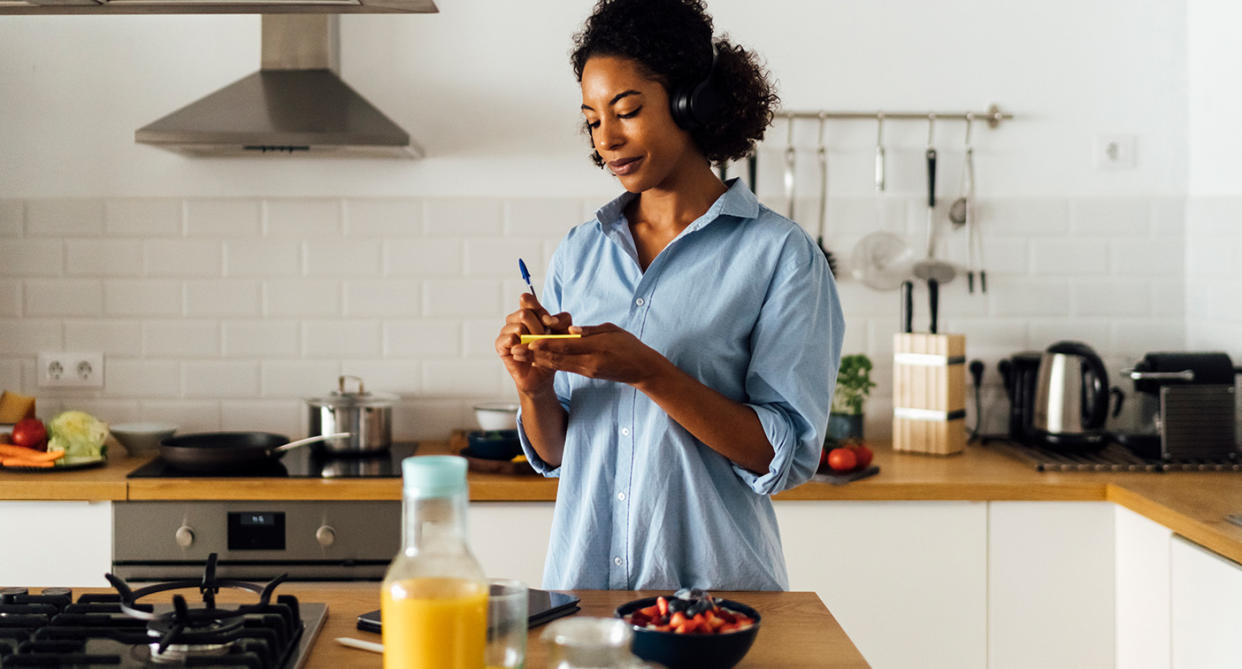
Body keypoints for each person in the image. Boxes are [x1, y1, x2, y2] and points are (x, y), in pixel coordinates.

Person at [494, 0, 844, 591]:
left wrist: (650, 373)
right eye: (592, 120)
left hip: (717, 600)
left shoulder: (780, 255)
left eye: (627, 111)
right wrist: (533, 388)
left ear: (691, 103)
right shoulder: (581, 251)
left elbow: (780, 457)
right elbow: (557, 456)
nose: (608, 139)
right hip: (584, 601)